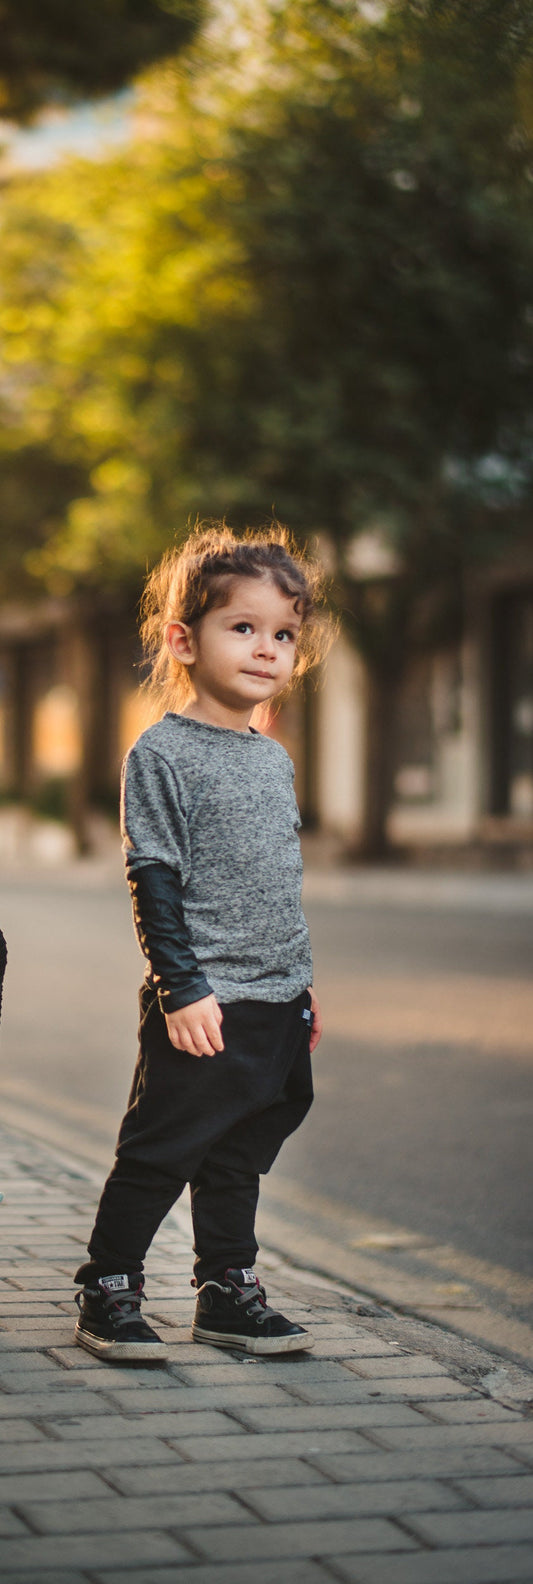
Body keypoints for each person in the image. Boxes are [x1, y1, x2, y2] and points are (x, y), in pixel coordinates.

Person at [74, 522, 331, 1361]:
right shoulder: (162, 753)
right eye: (243, 627)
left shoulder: (271, 758)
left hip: (275, 1000)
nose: (267, 649)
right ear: (185, 640)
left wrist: (300, 987)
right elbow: (153, 878)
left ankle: (226, 1290)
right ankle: (108, 1287)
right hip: (205, 1000)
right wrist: (180, 987)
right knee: (160, 1152)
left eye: (283, 633)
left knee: (240, 1151)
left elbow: (273, 883)